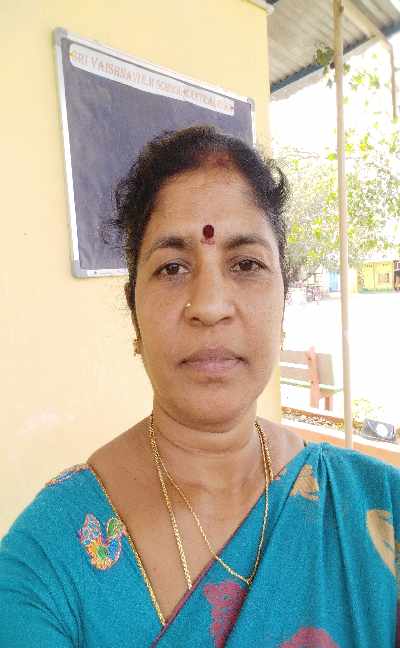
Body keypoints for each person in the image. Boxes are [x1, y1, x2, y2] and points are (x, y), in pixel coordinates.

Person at [0, 126, 399, 647]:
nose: (209, 306)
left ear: (282, 303)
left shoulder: (380, 512)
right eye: (172, 267)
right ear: (135, 313)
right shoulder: (45, 562)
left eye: (247, 264)